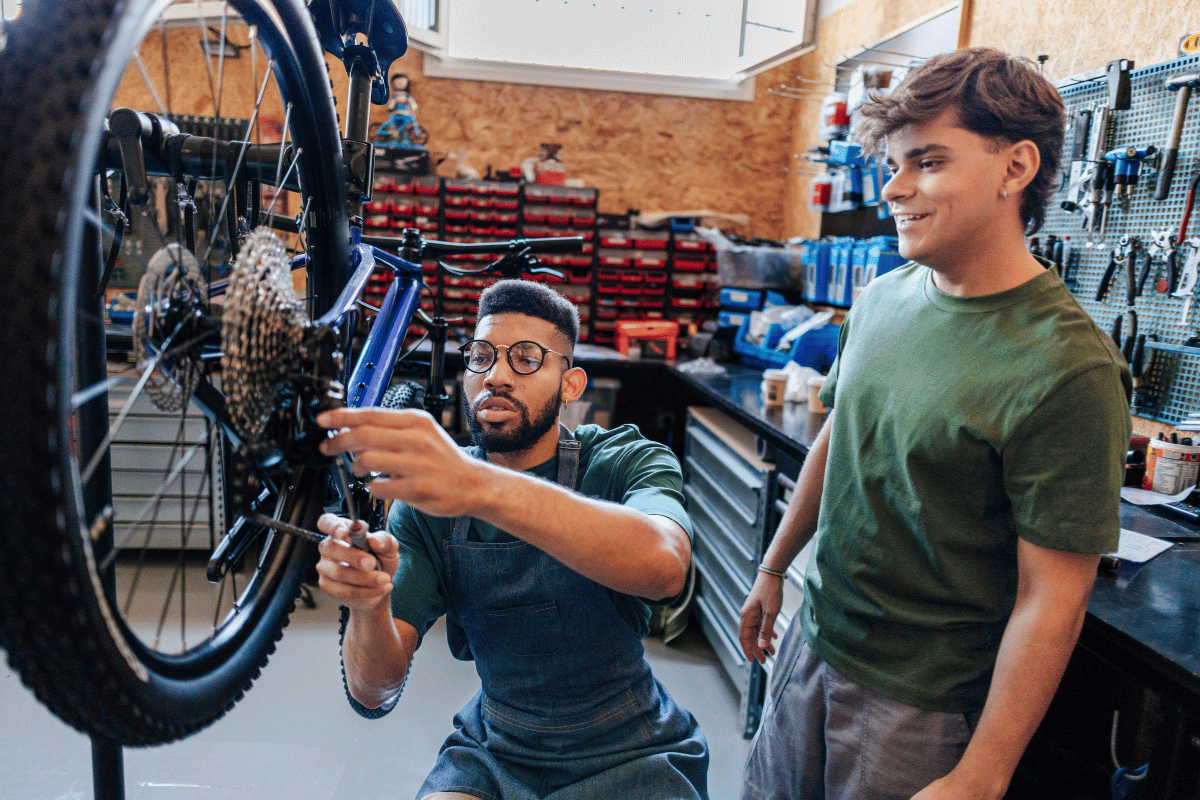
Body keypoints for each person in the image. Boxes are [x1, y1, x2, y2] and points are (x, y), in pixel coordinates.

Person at [738, 48, 1132, 800]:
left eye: (927, 161)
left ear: (1015, 168)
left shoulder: (1068, 369)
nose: (894, 188)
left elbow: (1053, 601)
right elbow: (840, 435)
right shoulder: (884, 297)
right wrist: (774, 566)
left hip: (919, 706)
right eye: (893, 163)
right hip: (809, 647)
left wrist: (983, 774)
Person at [314, 279, 709, 800]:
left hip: (630, 747)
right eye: (480, 357)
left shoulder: (624, 462)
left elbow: (665, 567)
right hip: (497, 748)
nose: (495, 376)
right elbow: (373, 690)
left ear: (570, 384)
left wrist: (481, 488)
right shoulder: (430, 503)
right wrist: (367, 605)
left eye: (526, 358)